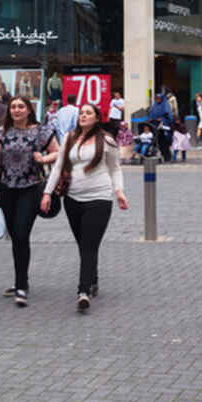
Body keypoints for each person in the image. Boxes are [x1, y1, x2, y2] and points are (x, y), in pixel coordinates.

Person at [41, 103, 128, 310]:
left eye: (88, 113)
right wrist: (47, 193)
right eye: (81, 113)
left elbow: (115, 169)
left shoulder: (106, 140)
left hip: (99, 198)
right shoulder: (70, 138)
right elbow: (58, 166)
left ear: (97, 118)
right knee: (84, 244)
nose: (83, 116)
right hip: (72, 198)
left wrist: (119, 192)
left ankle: (83, 291)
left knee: (89, 244)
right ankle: (93, 278)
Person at [0, 96, 58, 307]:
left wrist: (43, 159)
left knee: (22, 233)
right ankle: (20, 280)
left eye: (20, 107)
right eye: (13, 107)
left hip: (30, 189)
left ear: (28, 110)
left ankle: (21, 285)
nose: (16, 110)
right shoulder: (0, 133)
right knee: (16, 236)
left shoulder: (41, 131)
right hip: (7, 190)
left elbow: (58, 153)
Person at [148, 91, 175, 161]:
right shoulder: (155, 105)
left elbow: (169, 117)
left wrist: (162, 119)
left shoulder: (165, 106)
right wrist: (150, 118)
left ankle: (167, 157)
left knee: (164, 143)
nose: (157, 100)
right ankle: (161, 155)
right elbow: (152, 113)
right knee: (157, 143)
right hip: (155, 127)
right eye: (156, 98)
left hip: (163, 128)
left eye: (159, 98)